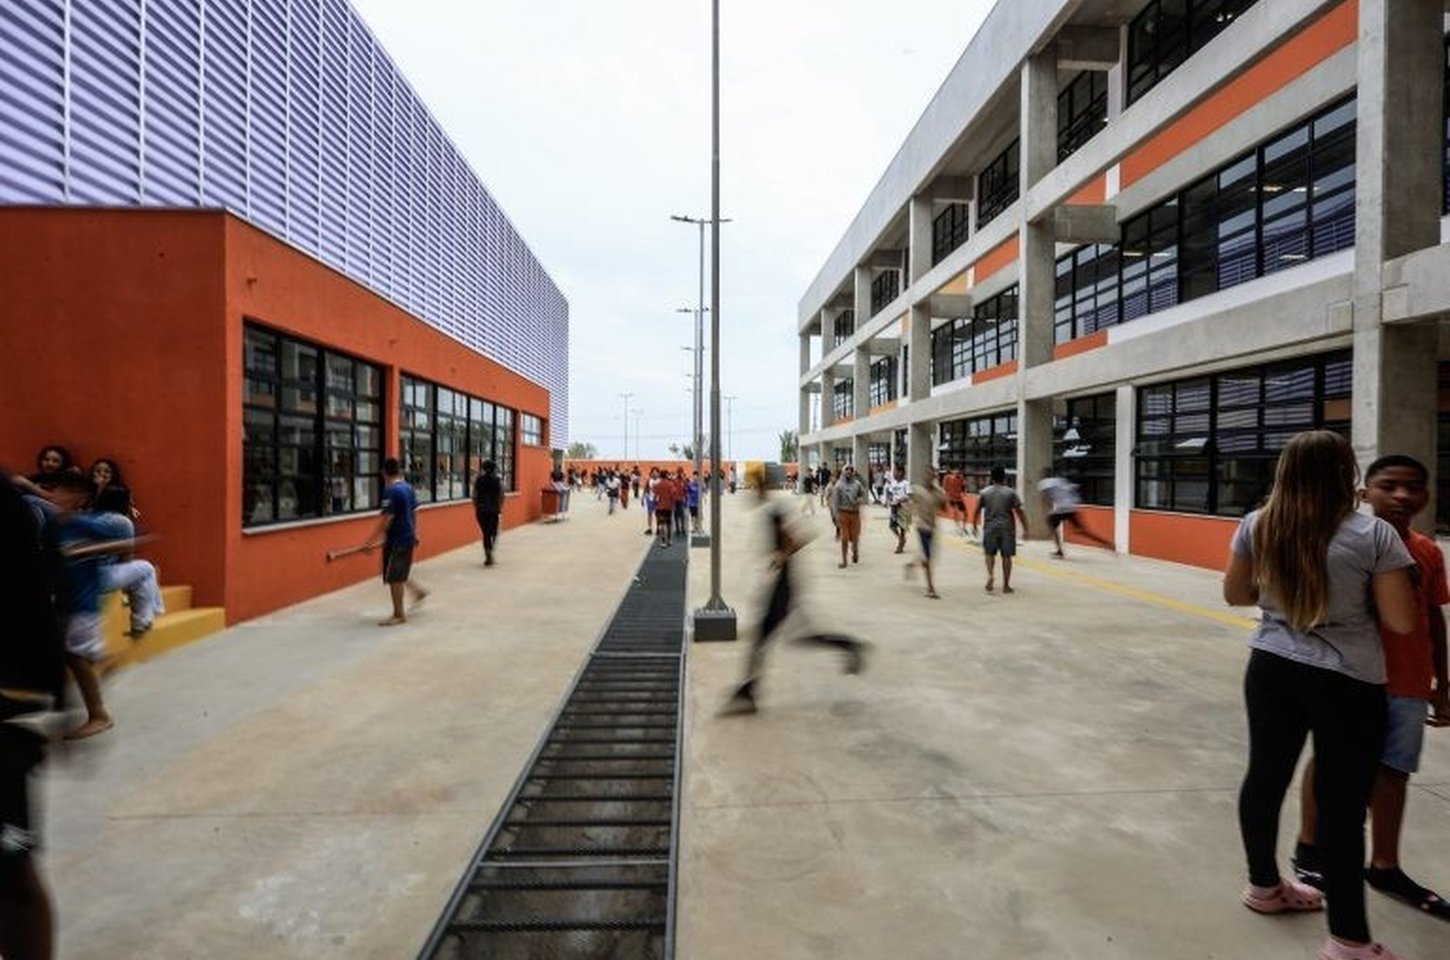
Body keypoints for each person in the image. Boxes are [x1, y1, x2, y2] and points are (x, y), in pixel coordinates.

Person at [1223, 431, 1417, 960]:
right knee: (1342, 802)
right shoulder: (1373, 535)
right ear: (1345, 472)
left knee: (1264, 776)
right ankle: (1349, 938)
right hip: (1347, 680)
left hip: (1270, 665)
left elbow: (1237, 593)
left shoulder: (1259, 524)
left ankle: (1264, 886)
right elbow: (1401, 621)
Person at [1290, 454, 1450, 921]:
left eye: (1414, 486)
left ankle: (1384, 865)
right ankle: (1310, 847)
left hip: (1408, 681)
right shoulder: (1341, 544)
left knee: (1393, 773)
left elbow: (1432, 615)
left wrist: (1442, 680)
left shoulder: (1426, 550)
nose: (1402, 495)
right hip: (1351, 678)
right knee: (1330, 763)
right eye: (1389, 485)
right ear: (1364, 494)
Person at [722, 473, 866, 714]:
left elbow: (799, 538)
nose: (751, 493)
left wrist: (782, 555)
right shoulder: (771, 510)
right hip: (782, 585)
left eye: (754, 488)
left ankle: (748, 693)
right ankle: (848, 647)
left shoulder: (774, 511)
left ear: (762, 489)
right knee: (798, 637)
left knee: (763, 636)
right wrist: (778, 558)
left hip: (784, 588)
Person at [0, 474, 66, 960]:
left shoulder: (7, 503)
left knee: (11, 875)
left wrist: (50, 702)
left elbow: (39, 599)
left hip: (3, 716)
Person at [364, 458, 428, 627]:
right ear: (399, 471)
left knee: (394, 578)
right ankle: (418, 592)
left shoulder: (391, 491)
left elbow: (387, 519)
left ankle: (399, 614)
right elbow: (413, 513)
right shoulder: (407, 488)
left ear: (384, 473)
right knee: (398, 571)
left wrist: (370, 542)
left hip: (397, 540)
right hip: (406, 537)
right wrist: (414, 533)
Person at [972, 464, 1028, 594]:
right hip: (1007, 528)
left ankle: (991, 575)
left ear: (991, 477)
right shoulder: (1011, 492)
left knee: (989, 554)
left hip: (990, 527)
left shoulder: (984, 492)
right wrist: (1025, 527)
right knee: (1006, 556)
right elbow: (1019, 511)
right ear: (1004, 477)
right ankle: (1006, 585)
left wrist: (974, 525)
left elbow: (977, 510)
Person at [1038, 469, 1113, 557]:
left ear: (1044, 475)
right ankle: (1106, 543)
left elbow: (1044, 498)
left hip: (1062, 508)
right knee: (1082, 531)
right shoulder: (1061, 480)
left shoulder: (1044, 483)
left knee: (1051, 523)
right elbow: (1073, 489)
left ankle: (1059, 551)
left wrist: (1044, 511)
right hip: (1072, 507)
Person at [908, 464, 946, 599]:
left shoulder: (939, 493)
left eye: (932, 475)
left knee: (927, 555)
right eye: (928, 474)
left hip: (932, 527)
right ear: (924, 476)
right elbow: (909, 503)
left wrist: (943, 502)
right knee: (928, 557)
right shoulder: (917, 490)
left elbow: (944, 508)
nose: (930, 477)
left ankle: (912, 564)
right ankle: (930, 588)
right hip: (921, 526)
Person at [831, 464, 867, 568]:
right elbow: (835, 503)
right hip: (843, 514)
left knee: (855, 539)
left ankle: (855, 552)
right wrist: (836, 516)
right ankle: (844, 561)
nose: (849, 472)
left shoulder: (857, 484)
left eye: (851, 470)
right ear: (843, 471)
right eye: (846, 469)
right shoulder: (838, 485)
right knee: (844, 538)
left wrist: (859, 500)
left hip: (855, 514)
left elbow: (863, 495)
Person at [472, 459, 503, 566]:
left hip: (481, 510)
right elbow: (501, 496)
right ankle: (490, 552)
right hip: (493, 510)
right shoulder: (497, 480)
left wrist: (477, 506)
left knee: (485, 533)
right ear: (493, 469)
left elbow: (474, 496)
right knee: (493, 532)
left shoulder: (478, 480)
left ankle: (488, 553)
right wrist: (500, 507)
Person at [885, 465, 911, 554]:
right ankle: (901, 538)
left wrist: (900, 500)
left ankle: (900, 545)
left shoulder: (905, 483)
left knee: (902, 526)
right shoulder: (893, 483)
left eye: (896, 471)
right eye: (894, 472)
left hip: (903, 507)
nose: (894, 473)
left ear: (901, 472)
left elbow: (909, 496)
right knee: (892, 526)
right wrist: (889, 500)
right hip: (894, 506)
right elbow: (890, 493)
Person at [653, 470, 678, 548]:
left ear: (660, 476)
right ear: (667, 475)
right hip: (669, 507)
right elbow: (673, 495)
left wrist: (655, 503)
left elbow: (655, 496)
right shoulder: (671, 484)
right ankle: (669, 540)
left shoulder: (658, 485)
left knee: (662, 524)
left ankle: (663, 541)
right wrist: (673, 504)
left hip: (660, 507)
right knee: (669, 523)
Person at [942, 468, 967, 534]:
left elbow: (964, 486)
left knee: (965, 513)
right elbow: (944, 486)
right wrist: (946, 494)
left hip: (959, 498)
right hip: (952, 498)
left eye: (958, 473)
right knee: (956, 512)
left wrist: (964, 493)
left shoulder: (961, 478)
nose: (957, 474)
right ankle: (958, 528)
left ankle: (963, 528)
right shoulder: (948, 477)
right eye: (955, 472)